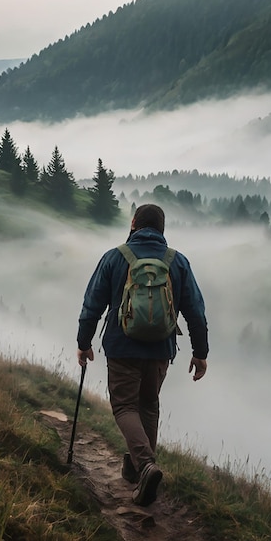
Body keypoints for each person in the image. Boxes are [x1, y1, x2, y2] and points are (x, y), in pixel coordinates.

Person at [77, 204, 208, 507]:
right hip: (160, 349)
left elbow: (91, 306)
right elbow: (196, 313)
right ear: (162, 229)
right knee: (148, 405)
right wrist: (200, 353)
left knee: (124, 406)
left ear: (133, 223)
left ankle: (145, 466)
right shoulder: (178, 262)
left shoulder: (114, 257)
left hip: (122, 347)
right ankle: (139, 472)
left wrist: (84, 343)